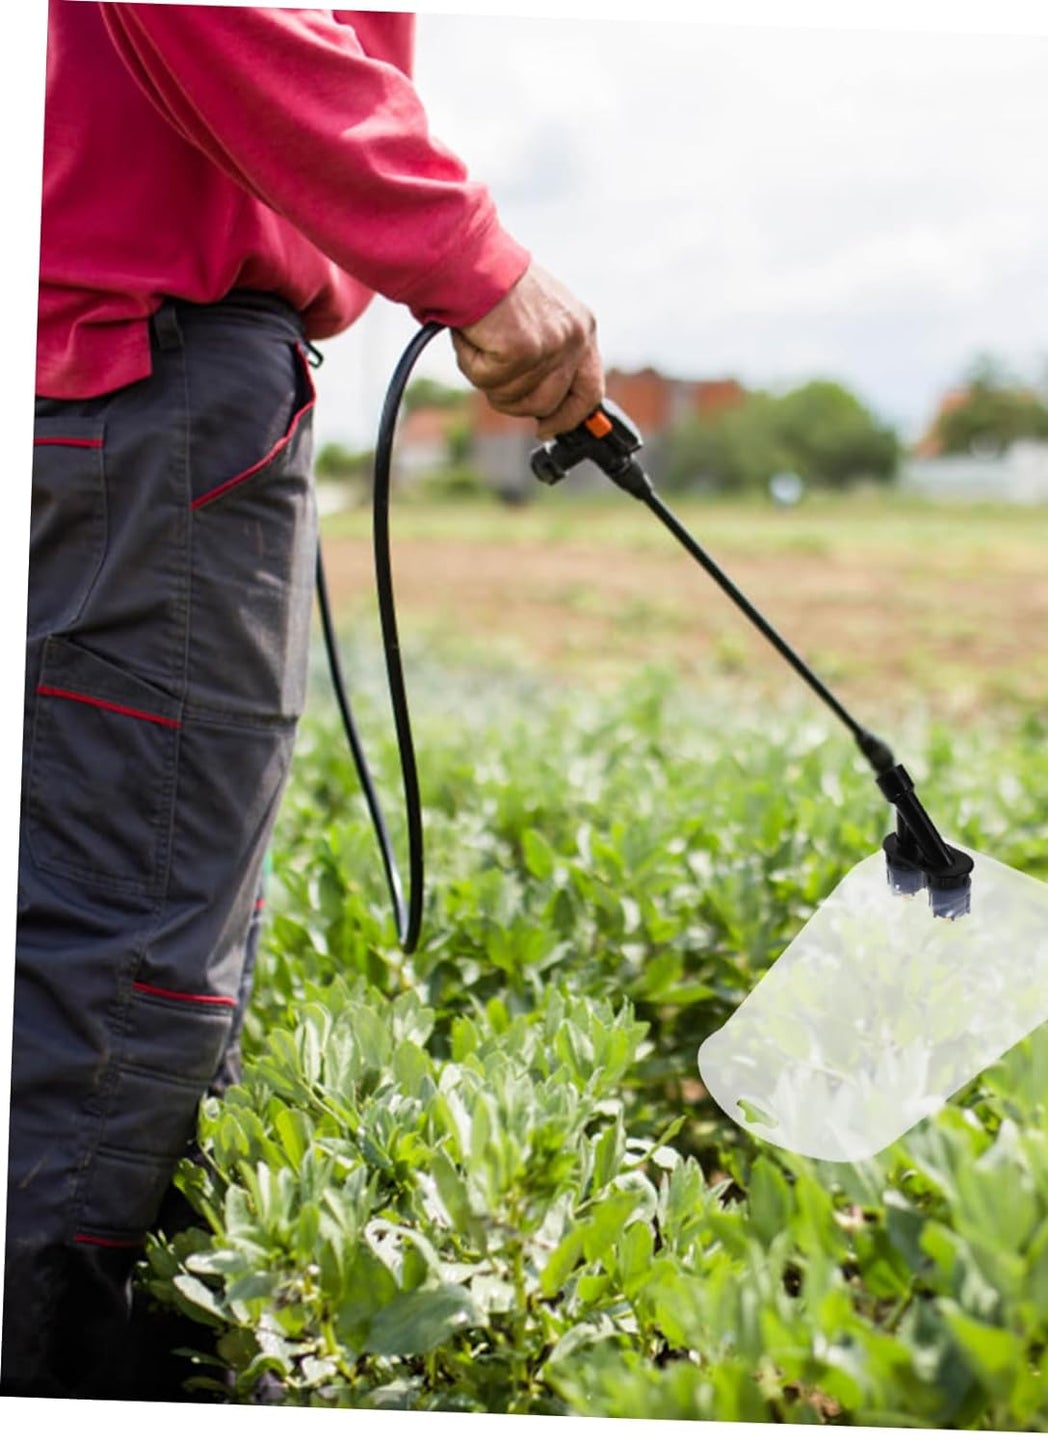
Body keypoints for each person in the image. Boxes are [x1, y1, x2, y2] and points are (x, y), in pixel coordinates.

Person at [4, 3, 604, 1398]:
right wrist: (474, 258)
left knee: (80, 919)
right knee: (128, 950)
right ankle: (65, 1385)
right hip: (144, 379)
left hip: (108, 371)